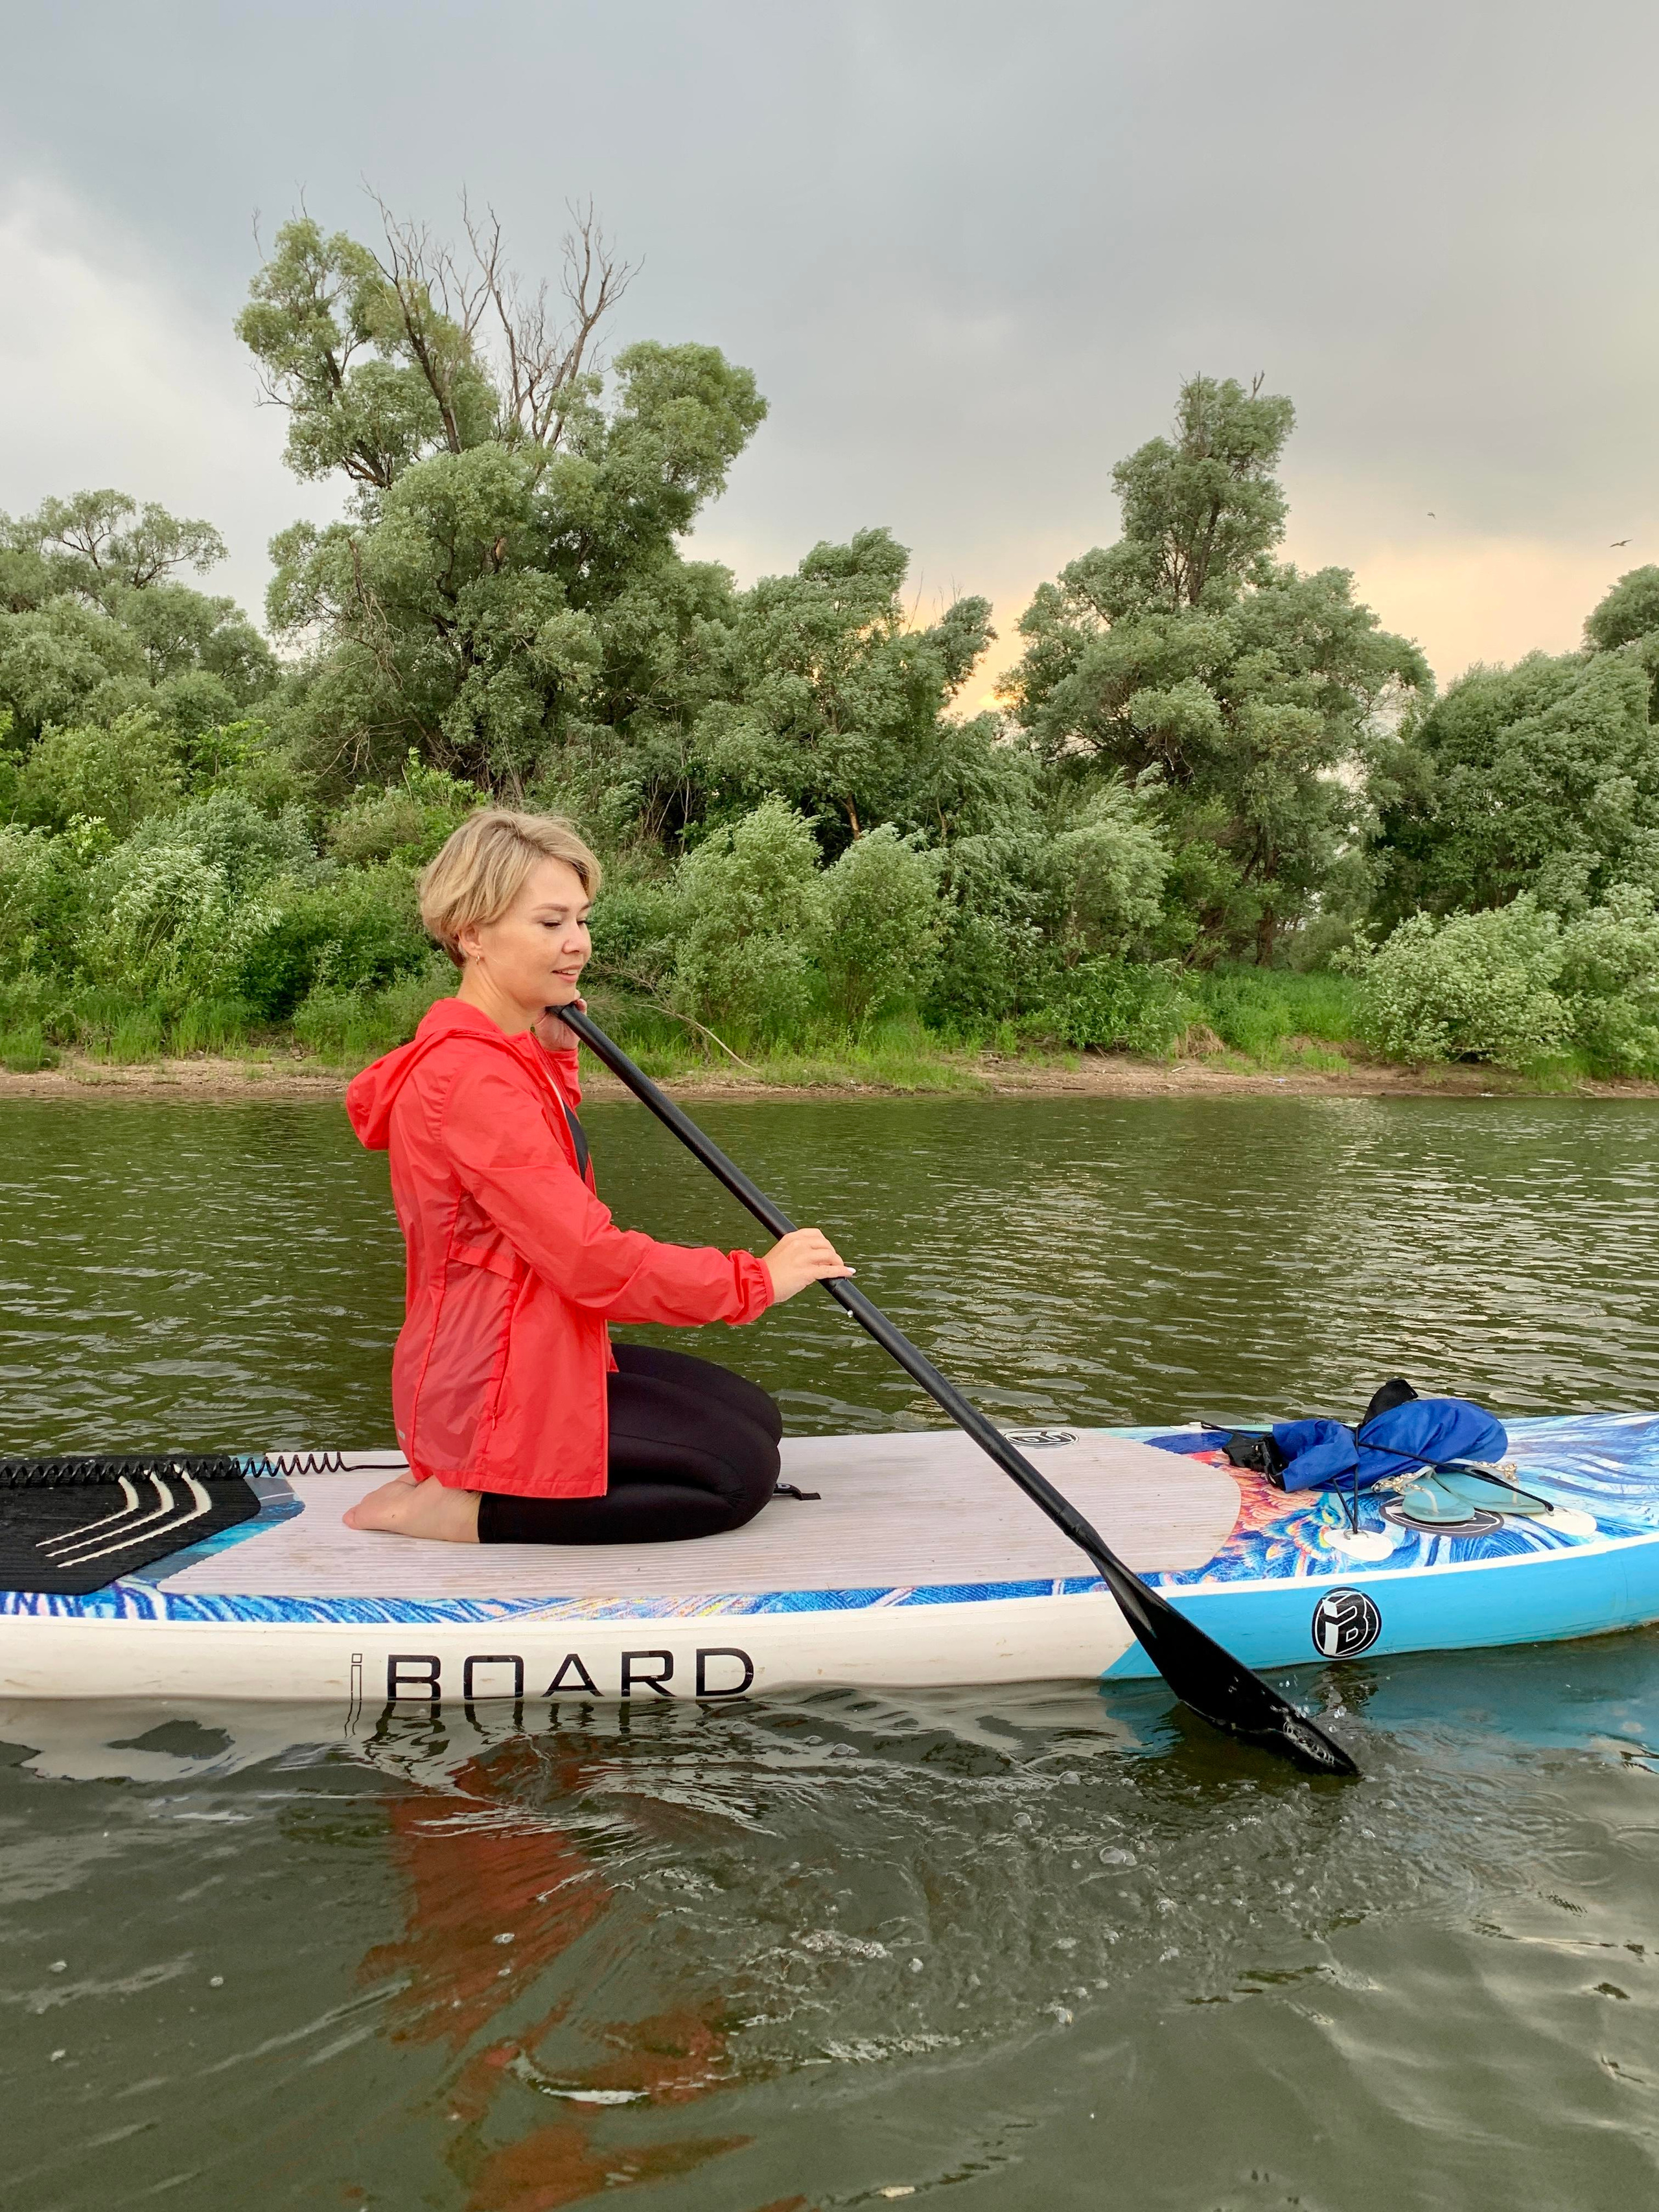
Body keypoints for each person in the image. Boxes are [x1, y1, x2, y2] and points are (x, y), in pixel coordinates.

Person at [342, 808, 853, 1546]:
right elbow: (590, 1260)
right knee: (736, 1473)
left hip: (526, 1338)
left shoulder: (507, 1051)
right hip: (485, 1378)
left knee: (755, 1418)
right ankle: (459, 1506)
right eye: (550, 923)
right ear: (472, 934)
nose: (577, 943)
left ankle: (464, 1474)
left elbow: (543, 1174)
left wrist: (553, 1051)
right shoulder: (471, 1077)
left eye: (581, 919)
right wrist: (756, 1282)